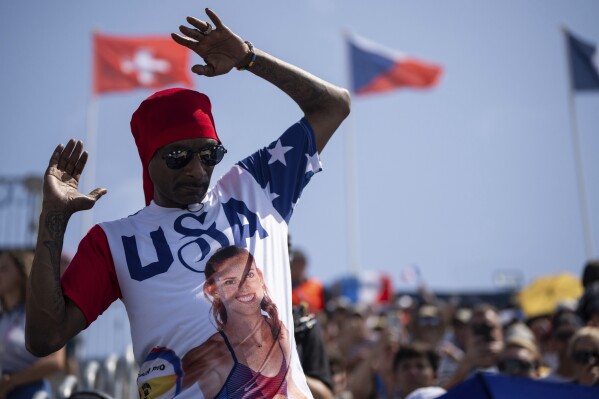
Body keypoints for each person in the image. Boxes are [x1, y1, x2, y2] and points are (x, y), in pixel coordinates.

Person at [25, 6, 350, 399]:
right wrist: (52, 220)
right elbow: (44, 338)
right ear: (149, 160)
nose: (197, 170)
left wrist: (249, 58)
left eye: (209, 154)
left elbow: (334, 105)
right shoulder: (115, 240)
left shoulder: (254, 186)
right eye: (178, 157)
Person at [181, 246, 304, 398]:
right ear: (214, 291)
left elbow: (292, 390)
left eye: (249, 275)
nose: (244, 287)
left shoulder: (278, 331)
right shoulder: (211, 354)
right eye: (230, 281)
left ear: (260, 277)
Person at [0, 250, 65, 398]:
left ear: (22, 271)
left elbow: (56, 361)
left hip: (32, 393)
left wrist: (11, 382)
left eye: (4, 268)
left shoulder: (41, 314)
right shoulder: (3, 318)